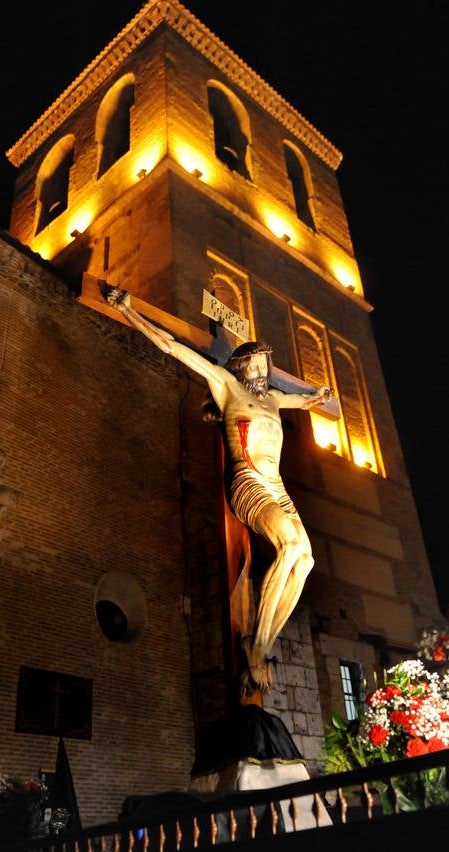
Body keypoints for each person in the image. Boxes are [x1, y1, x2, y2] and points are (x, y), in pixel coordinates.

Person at [107, 288, 332, 692]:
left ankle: (263, 638)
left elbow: (308, 402)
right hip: (247, 481)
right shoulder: (226, 384)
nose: (264, 371)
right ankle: (258, 647)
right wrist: (129, 311)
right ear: (244, 365)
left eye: (267, 364)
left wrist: (319, 396)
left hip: (276, 486)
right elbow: (172, 347)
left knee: (308, 559)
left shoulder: (276, 399)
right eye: (258, 364)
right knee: (290, 547)